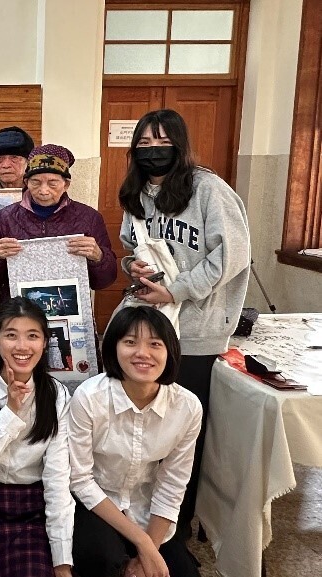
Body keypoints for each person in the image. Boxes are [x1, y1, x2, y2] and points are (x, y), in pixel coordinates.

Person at [117, 109, 251, 539]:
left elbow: (231, 257)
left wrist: (177, 290)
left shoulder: (209, 189)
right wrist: (133, 268)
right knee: (145, 426)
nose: (152, 151)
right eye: (143, 143)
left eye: (161, 142)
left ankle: (178, 524)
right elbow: (129, 246)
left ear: (179, 143)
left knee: (182, 435)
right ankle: (141, 518)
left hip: (195, 331)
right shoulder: (137, 193)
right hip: (150, 327)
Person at [69, 306, 202, 577]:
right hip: (96, 504)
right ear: (114, 348)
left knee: (181, 572)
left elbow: (173, 483)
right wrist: (142, 544)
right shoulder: (89, 397)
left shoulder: (187, 407)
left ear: (170, 351)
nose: (143, 353)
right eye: (130, 342)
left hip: (147, 507)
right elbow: (81, 480)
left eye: (155, 344)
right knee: (104, 561)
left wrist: (148, 551)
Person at [0, 296, 74, 577]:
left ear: (45, 342)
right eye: (11, 335)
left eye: (32, 336)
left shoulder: (56, 395)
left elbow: (57, 481)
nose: (22, 346)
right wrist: (12, 411)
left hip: (32, 506)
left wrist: (62, 564)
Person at [0, 144, 117, 303]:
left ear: (66, 184)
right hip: (19, 311)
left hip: (70, 309)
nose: (44, 191)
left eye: (53, 183)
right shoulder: (6, 217)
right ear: (26, 182)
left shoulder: (89, 217)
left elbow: (104, 281)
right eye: (36, 182)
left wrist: (99, 256)